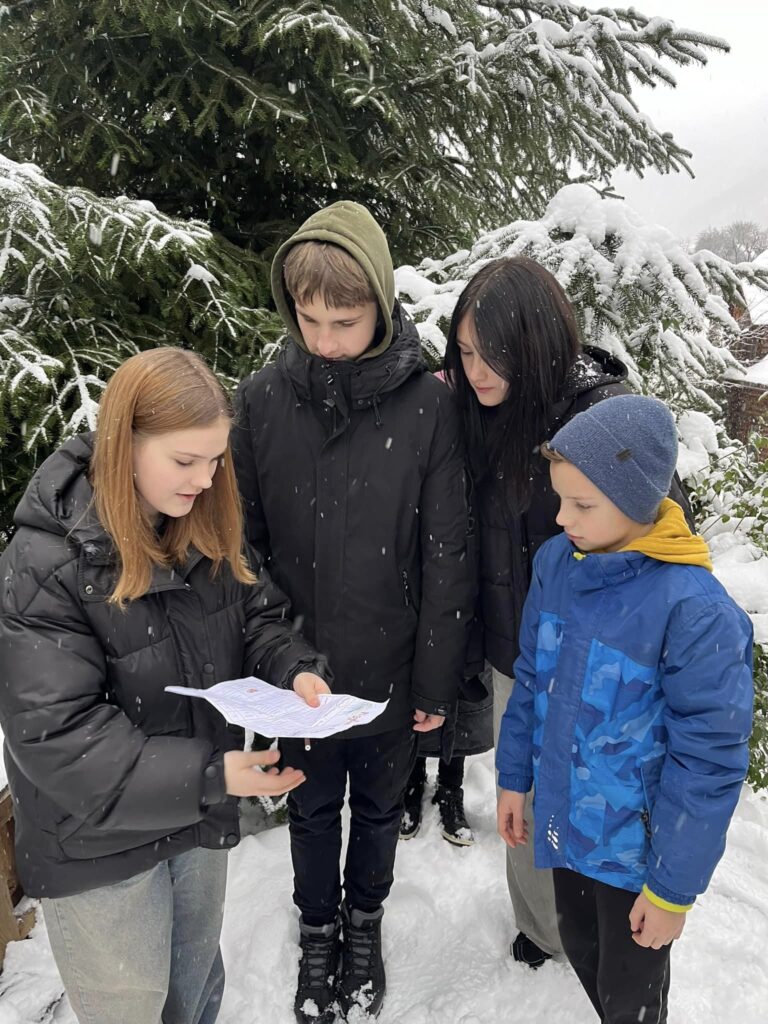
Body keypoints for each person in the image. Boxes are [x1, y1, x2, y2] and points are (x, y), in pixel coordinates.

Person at [0, 347, 331, 1024]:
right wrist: (210, 774)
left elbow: (255, 613)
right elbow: (57, 735)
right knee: (131, 1007)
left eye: (215, 461)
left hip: (191, 811)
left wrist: (292, 667)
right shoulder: (44, 562)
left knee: (194, 986)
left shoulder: (198, 523)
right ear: (125, 444)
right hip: (96, 846)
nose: (205, 480)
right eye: (185, 461)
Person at [232, 200, 474, 1023]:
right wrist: (275, 653)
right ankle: (318, 930)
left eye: (345, 321)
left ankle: (364, 923)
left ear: (379, 302)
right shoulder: (262, 401)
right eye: (309, 320)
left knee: (376, 811)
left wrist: (434, 683)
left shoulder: (428, 408)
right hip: (296, 673)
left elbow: (446, 556)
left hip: (389, 669)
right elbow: (243, 546)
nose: (326, 340)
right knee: (308, 809)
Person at [442, 255, 693, 968]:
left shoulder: (600, 421)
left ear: (535, 344)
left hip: (601, 665)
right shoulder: (475, 413)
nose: (477, 371)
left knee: (597, 804)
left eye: (493, 354)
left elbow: (664, 541)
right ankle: (542, 928)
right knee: (522, 797)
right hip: (515, 654)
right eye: (465, 352)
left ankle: (603, 931)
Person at [497, 394, 753, 1023]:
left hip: (637, 854)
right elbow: (531, 678)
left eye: (582, 504)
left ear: (637, 500)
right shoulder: (557, 564)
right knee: (583, 951)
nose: (562, 517)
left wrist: (670, 890)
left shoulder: (693, 610)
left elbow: (709, 760)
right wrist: (514, 777)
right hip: (566, 822)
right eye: (560, 499)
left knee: (630, 996)